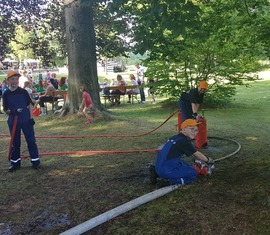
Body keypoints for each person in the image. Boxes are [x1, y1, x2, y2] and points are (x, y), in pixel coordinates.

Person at [150, 119, 214, 185]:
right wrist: (208, 160)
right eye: (192, 129)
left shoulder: (175, 137)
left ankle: (155, 172)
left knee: (185, 164)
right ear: (183, 129)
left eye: (196, 130)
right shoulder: (184, 142)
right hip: (166, 170)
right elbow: (198, 154)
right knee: (192, 173)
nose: (194, 132)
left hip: (159, 165)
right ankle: (168, 181)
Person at [2, 71, 41, 172]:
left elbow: (30, 104)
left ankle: (35, 161)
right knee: (15, 142)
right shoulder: (6, 94)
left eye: (16, 79)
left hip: (25, 119)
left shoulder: (23, 92)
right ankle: (15, 163)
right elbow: (5, 109)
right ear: (8, 80)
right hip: (13, 120)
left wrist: (31, 117)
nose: (15, 81)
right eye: (12, 79)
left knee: (31, 140)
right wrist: (12, 112)